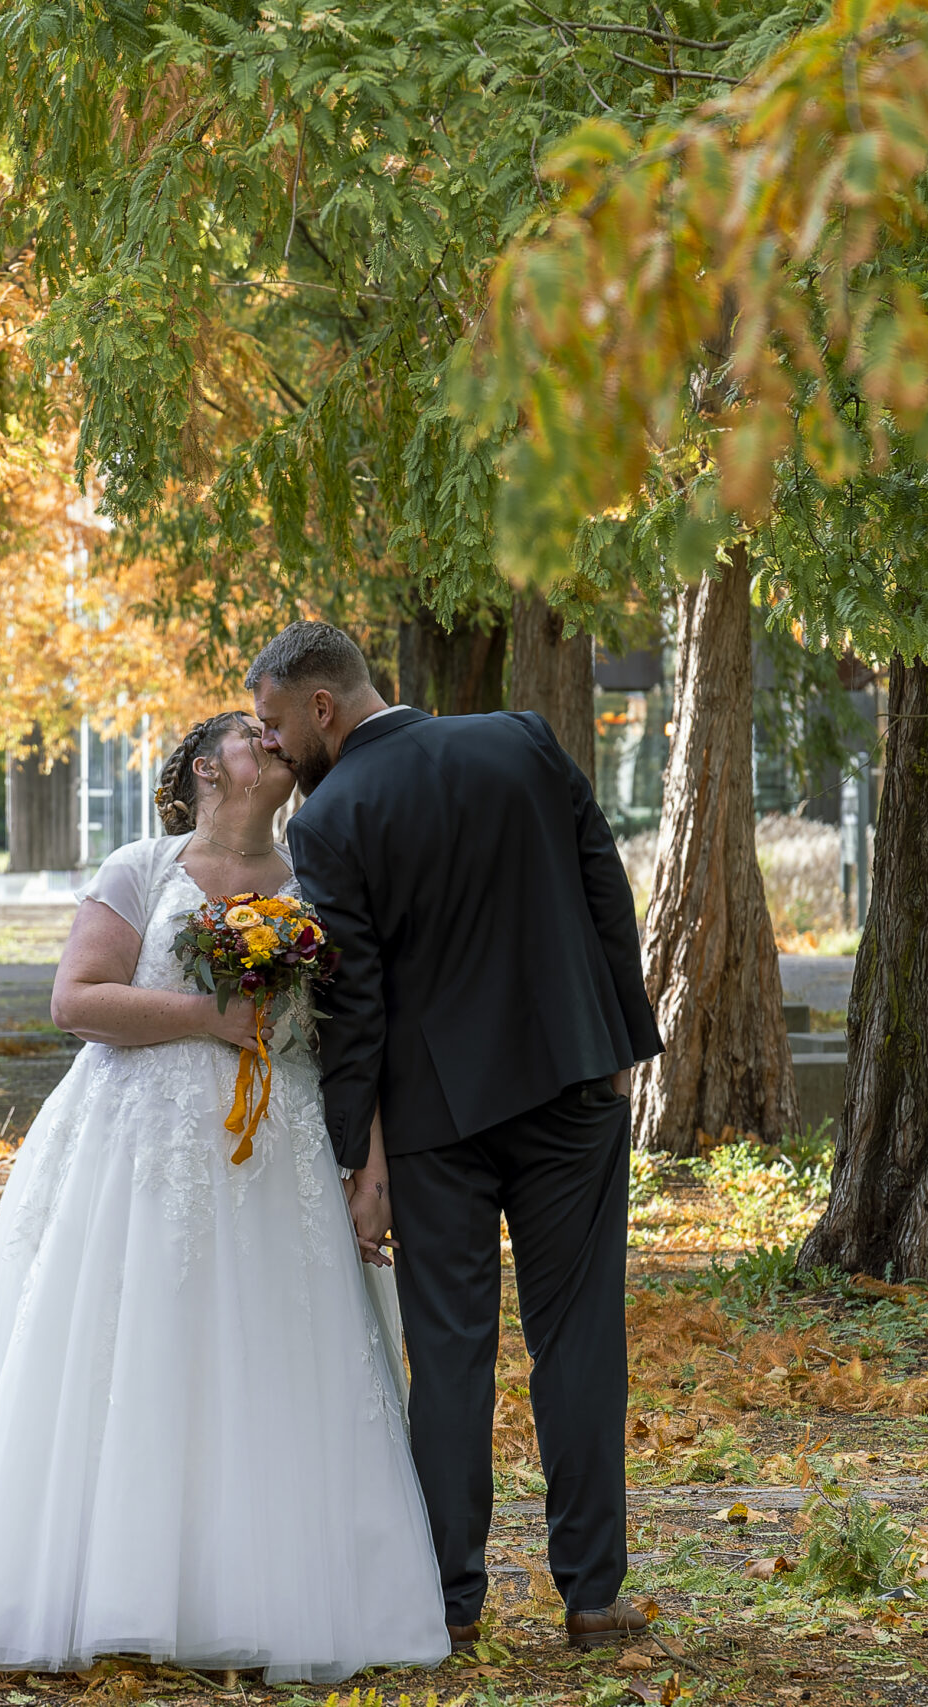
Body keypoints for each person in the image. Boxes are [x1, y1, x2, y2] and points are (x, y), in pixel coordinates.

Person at [0, 712, 449, 1682]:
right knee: (128, 1350)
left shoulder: (315, 881)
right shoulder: (142, 867)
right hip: (130, 1151)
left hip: (273, 1152)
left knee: (266, 1360)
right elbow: (76, 1000)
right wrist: (212, 1017)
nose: (274, 740)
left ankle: (251, 1589)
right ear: (207, 769)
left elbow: (344, 1041)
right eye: (252, 733)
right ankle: (102, 1580)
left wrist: (370, 1168)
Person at [248, 621, 663, 1652]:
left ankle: (449, 1597)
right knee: (580, 1338)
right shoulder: (520, 740)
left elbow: (357, 1006)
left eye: (273, 725)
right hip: (572, 1084)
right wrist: (622, 1039)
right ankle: (593, 1594)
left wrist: (361, 1159)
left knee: (450, 1355)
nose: (272, 748)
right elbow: (604, 888)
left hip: (437, 1124)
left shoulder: (332, 816)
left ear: (322, 709)